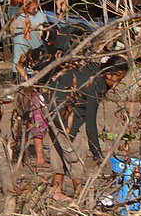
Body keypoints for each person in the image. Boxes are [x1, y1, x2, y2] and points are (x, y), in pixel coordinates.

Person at [48, 55, 129, 199]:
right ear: (109, 74)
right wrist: (96, 153)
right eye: (118, 79)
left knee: (59, 149)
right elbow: (91, 123)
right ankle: (79, 193)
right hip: (62, 112)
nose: (118, 83)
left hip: (49, 104)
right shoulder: (95, 85)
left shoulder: (91, 69)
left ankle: (56, 191)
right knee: (74, 153)